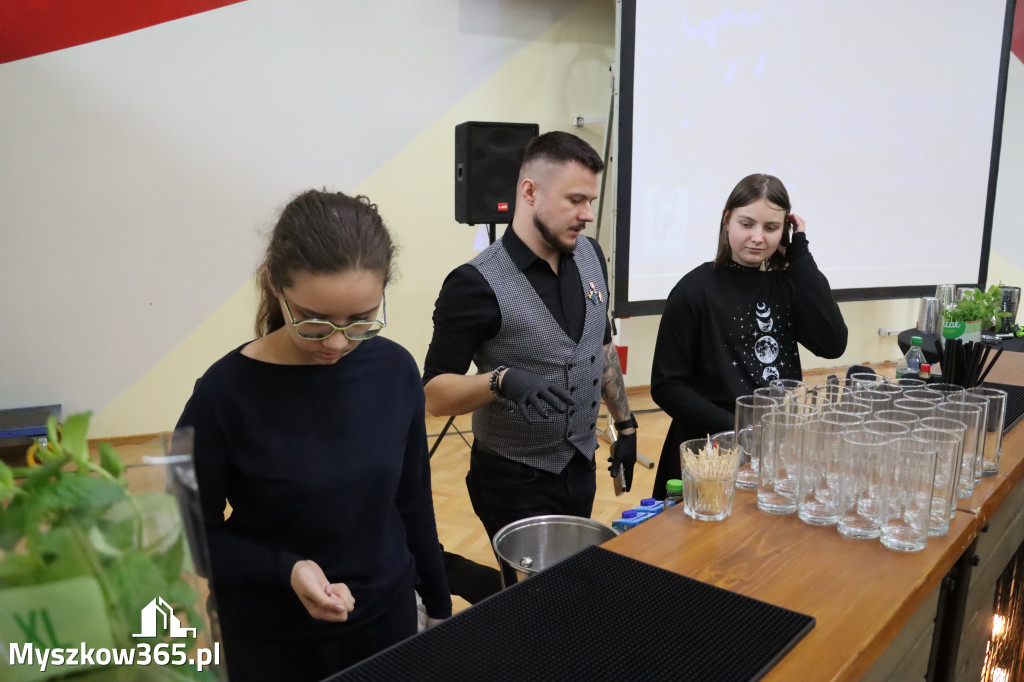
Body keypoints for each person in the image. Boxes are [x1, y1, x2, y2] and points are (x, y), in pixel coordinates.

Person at [177, 190, 451, 681]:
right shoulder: (223, 395)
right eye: (313, 320)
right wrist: (286, 569)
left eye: (362, 319)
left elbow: (412, 500)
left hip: (385, 622)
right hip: (271, 640)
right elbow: (189, 536)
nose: (338, 342)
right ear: (274, 286)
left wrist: (437, 604)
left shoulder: (394, 370)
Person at [422, 131, 637, 573]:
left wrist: (626, 424)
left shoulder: (590, 255)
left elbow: (599, 347)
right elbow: (434, 395)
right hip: (511, 477)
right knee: (532, 601)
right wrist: (500, 380)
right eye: (576, 200)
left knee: (571, 582)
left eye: (591, 201)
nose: (588, 215)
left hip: (580, 464)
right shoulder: (474, 284)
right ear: (529, 191)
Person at [650, 173, 848, 498]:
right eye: (747, 224)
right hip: (712, 451)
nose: (757, 237)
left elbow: (833, 343)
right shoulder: (693, 290)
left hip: (776, 450)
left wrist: (801, 255)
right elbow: (667, 386)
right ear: (727, 220)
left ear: (785, 229)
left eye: (771, 228)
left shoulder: (787, 285)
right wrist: (741, 430)